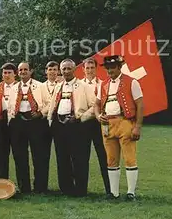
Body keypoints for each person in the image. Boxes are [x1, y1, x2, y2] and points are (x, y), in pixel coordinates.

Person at [95, 55, 143, 201]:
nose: (110, 70)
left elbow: (140, 104)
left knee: (129, 158)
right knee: (111, 159)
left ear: (119, 67)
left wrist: (137, 126)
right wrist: (98, 116)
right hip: (107, 124)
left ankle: (130, 192)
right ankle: (114, 193)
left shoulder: (131, 82)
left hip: (125, 121)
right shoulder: (103, 84)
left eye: (112, 67)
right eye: (108, 68)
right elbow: (96, 104)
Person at [47, 58, 95, 197]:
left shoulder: (84, 86)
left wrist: (80, 117)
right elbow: (52, 106)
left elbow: (94, 106)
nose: (66, 71)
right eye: (64, 69)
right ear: (60, 71)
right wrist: (51, 120)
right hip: (59, 125)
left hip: (77, 126)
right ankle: (65, 188)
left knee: (79, 158)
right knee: (62, 158)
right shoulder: (58, 86)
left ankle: (80, 190)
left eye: (69, 68)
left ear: (75, 69)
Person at [8, 62, 51, 194]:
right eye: (20, 70)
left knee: (39, 156)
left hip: (36, 122)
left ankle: (40, 187)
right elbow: (10, 106)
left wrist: (40, 113)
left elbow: (50, 103)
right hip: (18, 121)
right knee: (20, 156)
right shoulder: (14, 88)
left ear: (31, 71)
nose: (23, 72)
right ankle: (24, 187)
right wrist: (12, 116)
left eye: (25, 69)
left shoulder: (40, 86)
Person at [81, 57, 111, 196]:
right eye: (87, 68)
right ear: (83, 69)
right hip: (84, 124)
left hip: (100, 123)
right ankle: (82, 190)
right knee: (82, 156)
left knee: (104, 156)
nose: (90, 70)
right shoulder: (79, 85)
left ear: (96, 68)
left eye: (92, 67)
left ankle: (109, 189)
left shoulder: (103, 84)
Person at [0, 62, 18, 179]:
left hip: (17, 124)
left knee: (19, 155)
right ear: (2, 75)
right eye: (5, 73)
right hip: (1, 126)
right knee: (1, 155)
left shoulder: (19, 86)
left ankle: (24, 186)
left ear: (15, 74)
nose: (7, 75)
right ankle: (2, 181)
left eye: (9, 73)